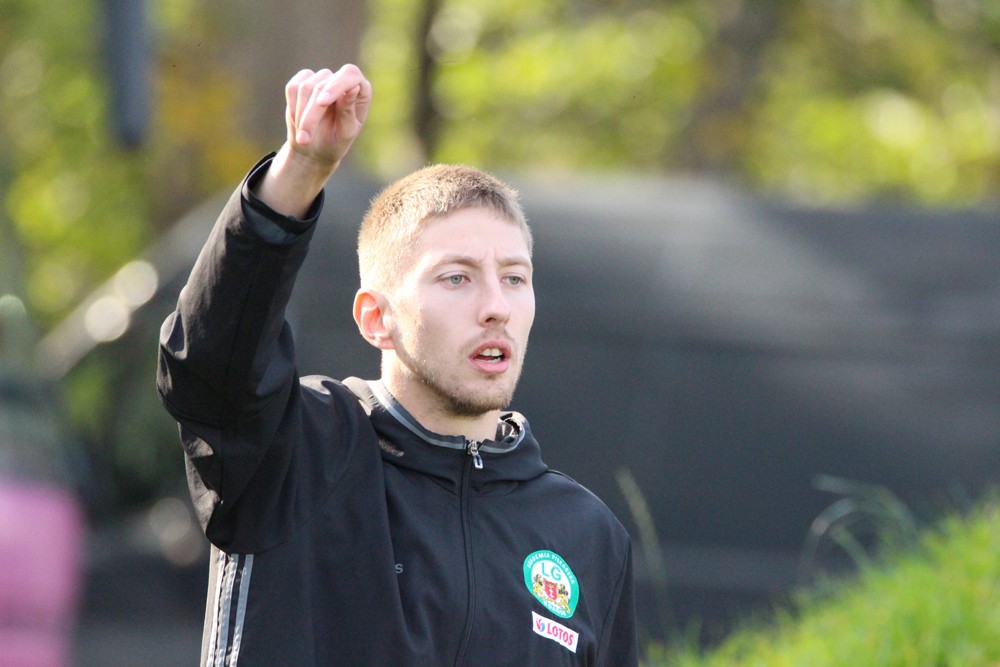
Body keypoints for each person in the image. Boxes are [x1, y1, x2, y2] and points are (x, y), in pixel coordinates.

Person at [157, 64, 637, 666]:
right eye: (456, 278)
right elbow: (208, 360)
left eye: (515, 278)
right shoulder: (296, 451)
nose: (496, 306)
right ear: (376, 318)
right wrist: (300, 169)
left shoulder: (588, 535)